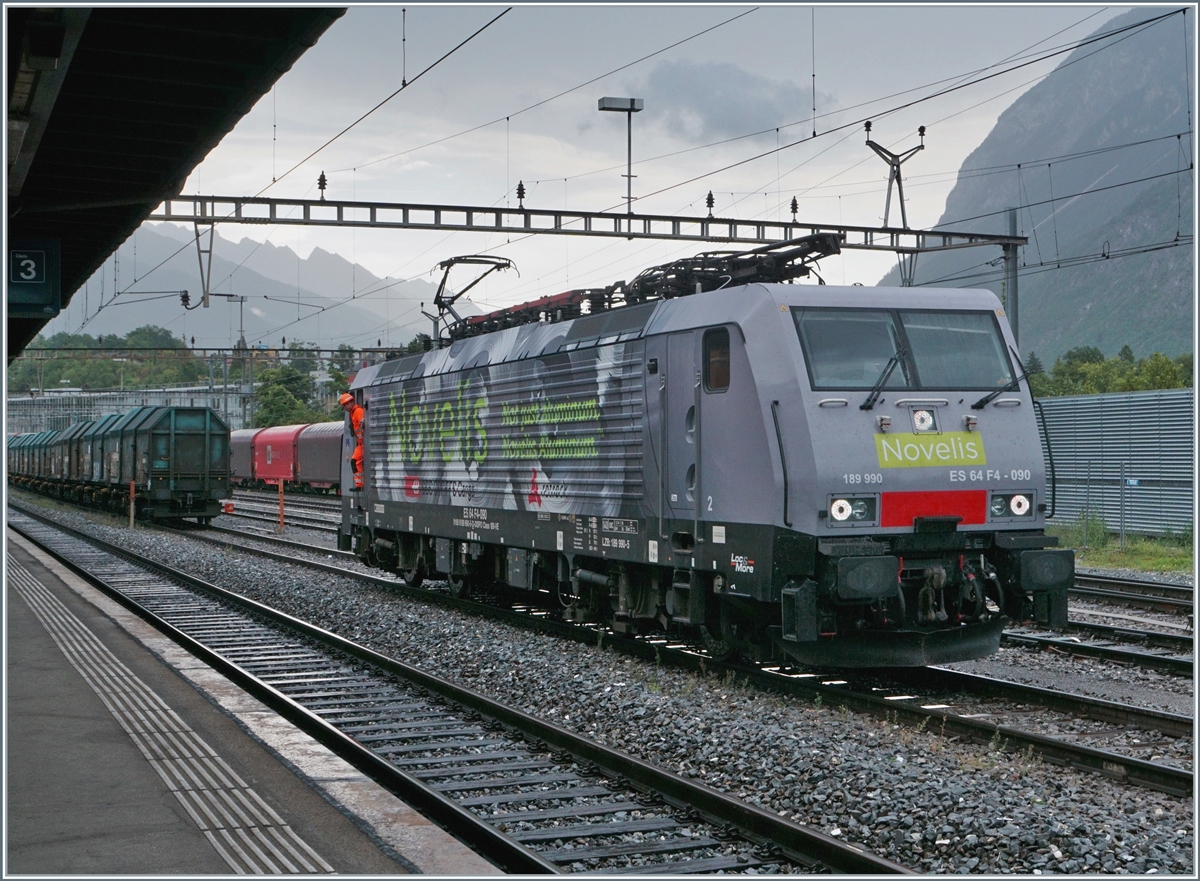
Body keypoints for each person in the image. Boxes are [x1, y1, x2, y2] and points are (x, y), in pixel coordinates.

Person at [340, 392, 365, 489]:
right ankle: (359, 484)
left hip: (363, 443)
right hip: (360, 444)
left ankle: (360, 484)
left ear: (352, 402)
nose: (346, 407)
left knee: (355, 461)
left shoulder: (357, 411)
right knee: (354, 462)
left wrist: (363, 421)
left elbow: (363, 420)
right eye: (344, 405)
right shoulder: (353, 413)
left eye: (347, 404)